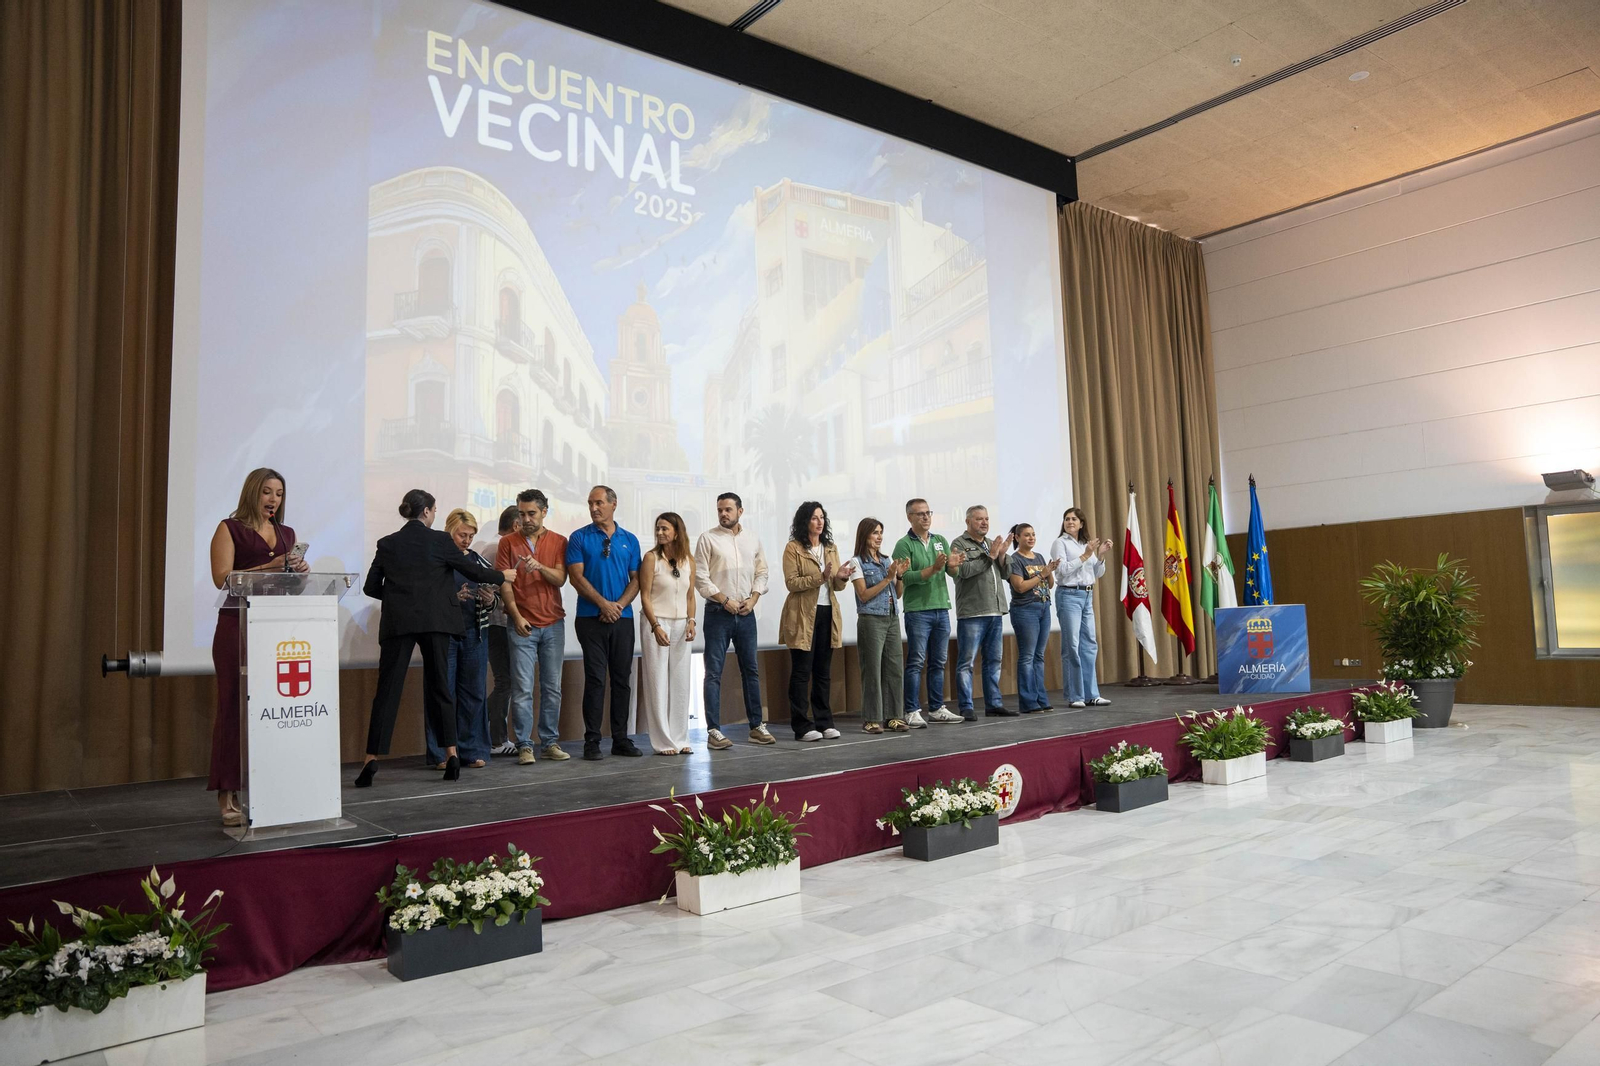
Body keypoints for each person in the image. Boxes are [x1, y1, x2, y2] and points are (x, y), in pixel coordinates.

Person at [356, 489, 517, 786]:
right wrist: (501, 576)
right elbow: (470, 568)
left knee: (387, 692)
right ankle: (452, 756)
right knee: (441, 688)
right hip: (435, 622)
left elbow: (370, 587)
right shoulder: (440, 541)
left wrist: (398, 599)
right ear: (428, 512)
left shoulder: (388, 543)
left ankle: (370, 760)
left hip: (398, 623)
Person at [207, 467, 310, 827]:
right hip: (237, 627)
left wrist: (299, 572)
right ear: (253, 492)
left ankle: (273, 787)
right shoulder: (229, 528)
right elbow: (223, 578)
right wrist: (273, 564)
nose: (273, 500)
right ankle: (228, 792)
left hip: (275, 629)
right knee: (233, 707)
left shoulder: (287, 534)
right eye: (267, 492)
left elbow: (290, 586)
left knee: (274, 709)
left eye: (279, 494)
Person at [566, 485, 644, 760]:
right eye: (590, 503)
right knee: (596, 679)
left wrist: (618, 606)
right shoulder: (578, 537)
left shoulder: (630, 539)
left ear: (613, 504)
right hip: (590, 618)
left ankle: (621, 739)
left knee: (622, 680)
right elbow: (576, 578)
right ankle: (592, 741)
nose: (593, 508)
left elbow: (637, 579)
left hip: (622, 619)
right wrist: (603, 604)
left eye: (598, 502)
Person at [693, 492, 776, 748]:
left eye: (728, 509)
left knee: (750, 670)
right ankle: (714, 731)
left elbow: (762, 572)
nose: (723, 514)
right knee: (714, 673)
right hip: (719, 613)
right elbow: (700, 578)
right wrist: (724, 599)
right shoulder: (708, 539)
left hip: (746, 612)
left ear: (740, 511)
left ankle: (756, 726)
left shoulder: (752, 539)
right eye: (719, 510)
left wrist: (753, 599)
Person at [497, 489, 570, 764]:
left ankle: (550, 742)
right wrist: (516, 617)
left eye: (531, 513)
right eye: (522, 513)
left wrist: (539, 566)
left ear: (543, 512)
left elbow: (561, 578)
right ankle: (524, 745)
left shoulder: (559, 541)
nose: (526, 518)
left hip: (553, 623)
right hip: (521, 623)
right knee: (523, 688)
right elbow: (505, 584)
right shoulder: (507, 543)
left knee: (552, 687)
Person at [422, 510, 497, 769]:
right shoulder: (436, 562)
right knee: (442, 693)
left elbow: (496, 595)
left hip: (475, 634)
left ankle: (472, 749)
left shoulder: (478, 562)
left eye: (471, 536)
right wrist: (453, 597)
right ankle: (443, 752)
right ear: (449, 531)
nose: (466, 540)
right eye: (461, 535)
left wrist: (491, 600)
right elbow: (424, 598)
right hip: (444, 635)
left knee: (474, 693)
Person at [779, 502, 854, 741]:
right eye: (814, 517)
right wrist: (819, 577)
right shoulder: (793, 548)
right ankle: (802, 726)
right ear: (805, 521)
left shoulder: (830, 547)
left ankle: (824, 722)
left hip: (827, 612)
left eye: (822, 517)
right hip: (802, 615)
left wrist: (840, 578)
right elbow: (792, 583)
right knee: (802, 672)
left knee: (823, 672)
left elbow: (835, 585)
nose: (819, 522)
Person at [892, 498, 962, 727]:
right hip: (918, 611)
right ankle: (911, 710)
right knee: (916, 661)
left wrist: (953, 565)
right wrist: (933, 569)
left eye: (928, 513)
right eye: (920, 514)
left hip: (941, 607)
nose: (925, 517)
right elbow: (905, 578)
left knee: (939, 661)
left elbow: (952, 574)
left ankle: (937, 708)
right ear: (909, 517)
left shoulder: (940, 540)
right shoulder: (903, 544)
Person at [949, 504, 1015, 719]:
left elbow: (1006, 574)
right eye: (979, 519)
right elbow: (964, 571)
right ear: (968, 521)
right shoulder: (959, 544)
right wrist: (990, 556)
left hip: (995, 611)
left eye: (986, 518)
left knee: (994, 661)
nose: (984, 522)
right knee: (966, 662)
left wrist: (1002, 555)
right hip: (972, 613)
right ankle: (966, 706)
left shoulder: (990, 544)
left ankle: (994, 704)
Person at [639, 512, 696, 755]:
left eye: (665, 529)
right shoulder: (651, 558)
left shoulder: (688, 561)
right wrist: (655, 626)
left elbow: (690, 596)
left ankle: (680, 738)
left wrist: (692, 620)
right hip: (657, 623)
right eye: (658, 529)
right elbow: (644, 596)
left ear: (676, 531)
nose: (660, 533)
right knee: (657, 681)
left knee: (681, 682)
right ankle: (663, 741)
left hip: (682, 623)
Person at [1050, 507, 1113, 708]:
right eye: (1067, 519)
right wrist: (1085, 556)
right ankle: (1075, 695)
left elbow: (1097, 573)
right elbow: (1062, 571)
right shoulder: (1060, 543)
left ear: (1081, 523)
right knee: (1072, 646)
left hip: (1087, 595)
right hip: (1069, 595)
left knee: (1089, 644)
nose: (1070, 522)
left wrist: (1100, 555)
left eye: (1074, 519)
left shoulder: (1085, 544)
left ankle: (1091, 694)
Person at [850, 518, 909, 733]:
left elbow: (899, 593)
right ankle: (871, 719)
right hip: (871, 619)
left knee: (894, 669)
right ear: (864, 535)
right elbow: (863, 595)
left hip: (892, 617)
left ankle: (894, 716)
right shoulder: (856, 563)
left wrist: (899, 576)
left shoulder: (887, 560)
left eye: (881, 532)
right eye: (875, 532)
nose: (879, 537)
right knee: (872, 670)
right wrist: (887, 578)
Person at [477, 505, 519, 756]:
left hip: (496, 623)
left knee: (506, 681)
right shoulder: (497, 549)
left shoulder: (490, 546)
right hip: (499, 623)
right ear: (515, 526)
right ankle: (495, 738)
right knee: (506, 682)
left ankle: (492, 735)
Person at [1007, 523, 1058, 714]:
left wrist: (1050, 570)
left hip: (1044, 607)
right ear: (1017, 538)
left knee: (1038, 656)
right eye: (1027, 535)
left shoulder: (1039, 557)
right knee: (1027, 656)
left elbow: (1050, 585)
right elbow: (1019, 587)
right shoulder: (1014, 559)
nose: (1031, 538)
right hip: (1025, 610)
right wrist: (1042, 574)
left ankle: (1041, 698)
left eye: (1033, 534)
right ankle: (1028, 702)